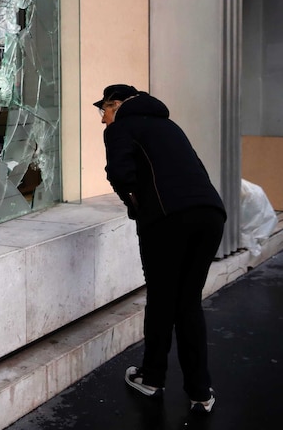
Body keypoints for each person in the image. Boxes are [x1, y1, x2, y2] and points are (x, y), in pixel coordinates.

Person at [94, 84, 226, 415]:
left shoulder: (122, 127)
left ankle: (151, 378)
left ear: (119, 104)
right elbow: (198, 169)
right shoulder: (169, 126)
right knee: (188, 302)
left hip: (167, 220)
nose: (103, 119)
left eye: (104, 110)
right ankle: (200, 392)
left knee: (163, 298)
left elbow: (120, 174)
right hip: (210, 215)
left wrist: (138, 206)